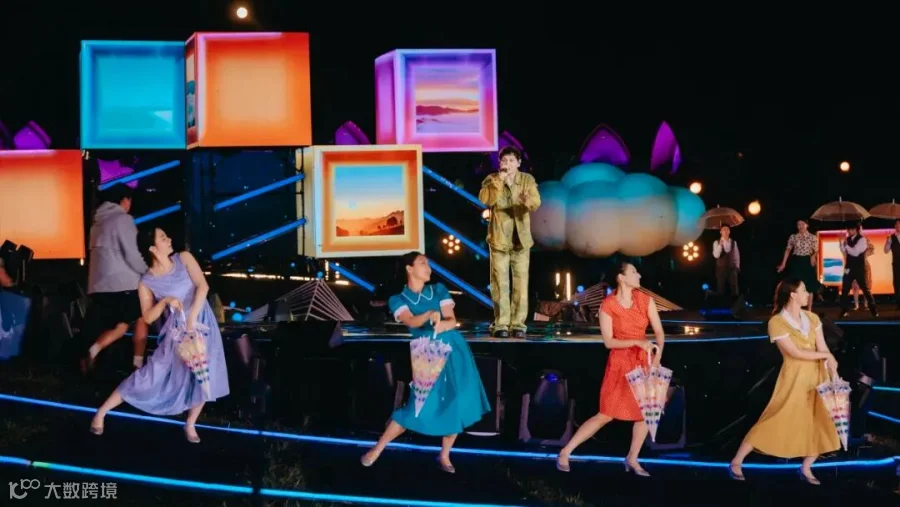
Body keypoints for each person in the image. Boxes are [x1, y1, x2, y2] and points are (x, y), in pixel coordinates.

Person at [90, 227, 229, 443]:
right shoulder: (147, 281)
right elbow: (147, 317)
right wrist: (164, 301)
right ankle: (101, 412)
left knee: (203, 374)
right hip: (177, 332)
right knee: (152, 372)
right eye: (163, 238)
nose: (169, 239)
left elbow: (203, 286)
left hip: (202, 323)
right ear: (153, 248)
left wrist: (192, 318)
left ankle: (190, 423)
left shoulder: (184, 258)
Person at [360, 252, 490, 473]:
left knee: (457, 401)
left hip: (454, 350)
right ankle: (377, 449)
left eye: (428, 264)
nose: (428, 268)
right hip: (427, 353)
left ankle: (445, 455)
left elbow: (451, 319)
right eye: (422, 263)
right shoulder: (398, 299)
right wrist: (429, 314)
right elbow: (411, 321)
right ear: (409, 268)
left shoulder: (438, 290)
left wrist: (442, 324)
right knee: (417, 405)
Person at [556, 261, 664, 476]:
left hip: (644, 361)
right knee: (606, 414)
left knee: (645, 413)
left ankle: (632, 458)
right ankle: (565, 452)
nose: (639, 275)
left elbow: (659, 332)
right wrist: (637, 342)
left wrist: (657, 357)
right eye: (634, 272)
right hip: (620, 362)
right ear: (621, 277)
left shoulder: (645, 300)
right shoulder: (608, 304)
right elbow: (609, 342)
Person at [729, 278, 840, 485]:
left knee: (821, 421)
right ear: (792, 294)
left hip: (818, 375)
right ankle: (737, 461)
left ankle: (806, 467)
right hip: (794, 377)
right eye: (804, 290)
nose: (807, 294)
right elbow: (795, 353)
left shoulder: (813, 318)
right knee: (776, 417)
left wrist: (832, 368)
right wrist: (825, 356)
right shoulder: (777, 322)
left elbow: (823, 347)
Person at [82, 184, 149, 371]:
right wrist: (147, 271)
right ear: (124, 200)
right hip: (122, 285)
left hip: (99, 286)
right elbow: (132, 253)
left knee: (120, 325)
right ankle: (138, 364)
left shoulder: (97, 223)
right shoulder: (123, 219)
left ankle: (94, 350)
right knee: (143, 318)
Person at [478, 146, 541, 338]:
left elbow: (536, 202)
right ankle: (501, 324)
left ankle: (518, 324)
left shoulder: (527, 180)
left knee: (521, 284)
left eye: (512, 161)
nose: (508, 164)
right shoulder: (492, 179)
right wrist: (499, 181)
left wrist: (526, 200)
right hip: (499, 239)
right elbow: (485, 199)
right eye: (504, 161)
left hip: (521, 240)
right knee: (500, 283)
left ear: (519, 163)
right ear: (500, 163)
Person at [777, 219, 820, 310]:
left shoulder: (813, 237)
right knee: (795, 285)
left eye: (802, 224)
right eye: (798, 224)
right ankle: (796, 308)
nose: (800, 226)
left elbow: (816, 250)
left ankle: (809, 310)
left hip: (807, 262)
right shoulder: (793, 237)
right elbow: (788, 250)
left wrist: (813, 256)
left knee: (809, 287)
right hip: (797, 261)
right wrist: (783, 264)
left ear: (807, 225)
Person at [839, 222, 877, 318]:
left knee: (865, 288)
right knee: (845, 289)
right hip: (848, 268)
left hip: (859, 268)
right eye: (848, 230)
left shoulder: (862, 240)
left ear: (855, 230)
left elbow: (855, 252)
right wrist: (841, 243)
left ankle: (873, 309)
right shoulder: (847, 239)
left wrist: (846, 245)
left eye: (850, 229)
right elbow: (845, 252)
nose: (849, 231)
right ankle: (844, 310)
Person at [712, 225, 740, 298]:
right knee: (721, 288)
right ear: (720, 232)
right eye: (724, 229)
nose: (726, 231)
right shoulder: (716, 242)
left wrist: (737, 266)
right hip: (721, 268)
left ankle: (735, 302)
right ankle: (720, 303)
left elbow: (736, 254)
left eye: (727, 229)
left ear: (729, 231)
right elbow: (716, 255)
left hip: (732, 268)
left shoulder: (734, 242)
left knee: (734, 288)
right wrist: (720, 245)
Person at [850, 239, 875, 310]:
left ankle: (866, 304)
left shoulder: (865, 247)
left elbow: (872, 249)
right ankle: (856, 305)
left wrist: (866, 243)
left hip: (865, 268)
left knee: (866, 287)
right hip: (855, 267)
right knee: (855, 287)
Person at [884, 219, 900, 308]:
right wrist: (888, 242)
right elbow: (886, 251)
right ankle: (899, 303)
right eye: (896, 224)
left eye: (899, 224)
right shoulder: (891, 237)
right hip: (896, 264)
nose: (897, 226)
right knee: (897, 283)